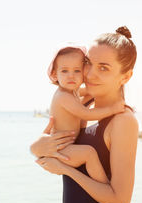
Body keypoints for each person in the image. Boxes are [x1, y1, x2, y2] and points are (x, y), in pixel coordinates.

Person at [30, 26, 138, 203]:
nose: (90, 74)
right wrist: (39, 146)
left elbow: (121, 201)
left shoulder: (123, 121)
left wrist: (67, 170)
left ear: (125, 76)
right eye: (89, 63)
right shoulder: (83, 109)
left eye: (104, 68)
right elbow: (42, 150)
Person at [46, 43, 125, 184]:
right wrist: (112, 109)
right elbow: (86, 114)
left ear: (83, 72)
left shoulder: (72, 92)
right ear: (54, 74)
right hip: (61, 149)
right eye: (64, 71)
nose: (71, 76)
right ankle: (104, 184)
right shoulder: (63, 96)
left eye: (77, 71)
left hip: (68, 146)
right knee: (89, 153)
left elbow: (89, 92)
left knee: (88, 152)